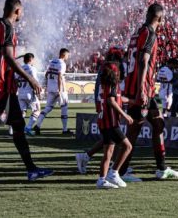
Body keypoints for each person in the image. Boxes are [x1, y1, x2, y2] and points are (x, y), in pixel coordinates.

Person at [0, 0, 52, 184]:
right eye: (21, 11)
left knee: (18, 126)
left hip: (6, 87)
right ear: (17, 11)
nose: (21, 14)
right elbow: (7, 57)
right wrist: (30, 78)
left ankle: (31, 170)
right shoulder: (7, 27)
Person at [118, 3, 178, 181]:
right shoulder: (150, 34)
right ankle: (119, 171)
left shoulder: (137, 33)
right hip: (142, 89)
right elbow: (143, 61)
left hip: (145, 89)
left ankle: (161, 168)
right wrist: (141, 90)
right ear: (160, 18)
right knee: (134, 130)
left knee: (158, 124)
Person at [76, 47, 125, 175]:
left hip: (102, 104)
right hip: (107, 106)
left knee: (110, 138)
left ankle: (86, 156)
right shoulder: (111, 68)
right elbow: (109, 93)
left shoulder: (104, 68)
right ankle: (115, 168)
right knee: (116, 138)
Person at [95, 61, 134, 189]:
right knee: (127, 146)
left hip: (103, 121)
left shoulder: (104, 84)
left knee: (108, 152)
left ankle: (101, 180)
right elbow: (111, 101)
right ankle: (114, 172)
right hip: (110, 122)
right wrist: (125, 115)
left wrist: (131, 101)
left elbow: (117, 98)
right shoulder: (112, 84)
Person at [34, 48, 71, 135]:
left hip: (51, 88)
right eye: (67, 55)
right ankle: (65, 130)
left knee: (48, 108)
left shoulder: (52, 62)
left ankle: (38, 125)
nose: (68, 57)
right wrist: (60, 89)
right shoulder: (62, 64)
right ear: (63, 55)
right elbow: (60, 76)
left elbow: (46, 74)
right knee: (64, 108)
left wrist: (48, 85)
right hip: (60, 89)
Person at [16, 53, 41, 135]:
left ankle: (18, 129)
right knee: (37, 110)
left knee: (22, 112)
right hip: (29, 93)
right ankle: (28, 128)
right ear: (31, 59)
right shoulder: (32, 69)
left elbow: (15, 80)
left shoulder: (19, 69)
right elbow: (34, 81)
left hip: (20, 93)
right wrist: (38, 93)